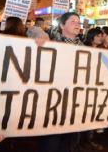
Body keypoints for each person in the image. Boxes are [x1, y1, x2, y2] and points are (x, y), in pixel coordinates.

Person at [36, 12, 83, 152]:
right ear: (62, 25)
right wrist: (37, 49)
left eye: (78, 22)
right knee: (51, 143)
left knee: (69, 145)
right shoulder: (51, 44)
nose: (77, 24)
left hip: (75, 106)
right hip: (53, 105)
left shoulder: (87, 48)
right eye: (73, 21)